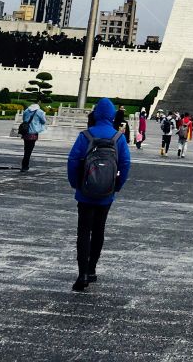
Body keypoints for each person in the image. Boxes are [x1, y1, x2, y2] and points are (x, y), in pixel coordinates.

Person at [67, 97, 131, 292]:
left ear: (95, 114)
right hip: (106, 193)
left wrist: (75, 184)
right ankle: (93, 269)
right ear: (112, 116)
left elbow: (73, 161)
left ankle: (82, 273)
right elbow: (125, 164)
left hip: (85, 192)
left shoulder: (86, 135)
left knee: (84, 231)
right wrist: (117, 185)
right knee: (99, 230)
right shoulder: (118, 137)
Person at [19, 101, 48, 171]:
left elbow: (24, 120)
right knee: (29, 150)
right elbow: (44, 121)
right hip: (33, 133)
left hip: (25, 132)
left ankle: (24, 165)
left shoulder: (26, 111)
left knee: (26, 149)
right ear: (38, 103)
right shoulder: (40, 112)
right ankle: (24, 166)